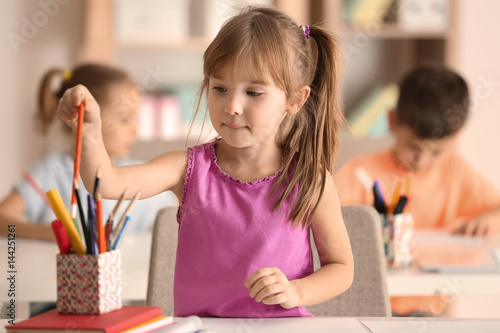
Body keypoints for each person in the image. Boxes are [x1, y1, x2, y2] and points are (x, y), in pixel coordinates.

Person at [57, 6, 354, 318]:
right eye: (220, 88)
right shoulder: (186, 168)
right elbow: (106, 183)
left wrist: (298, 291)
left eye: (253, 92)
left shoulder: (310, 179)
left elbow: (341, 267)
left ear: (295, 99)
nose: (233, 106)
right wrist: (89, 131)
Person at [334, 66, 500, 316]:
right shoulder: (360, 172)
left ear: (455, 138)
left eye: (435, 152)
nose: (421, 160)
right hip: (365, 301)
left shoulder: (455, 172)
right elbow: (321, 220)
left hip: (423, 308)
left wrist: (490, 219)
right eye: (413, 147)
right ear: (392, 121)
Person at [0, 64, 177, 241]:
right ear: (85, 117)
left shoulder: (134, 173)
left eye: (135, 119)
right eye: (124, 119)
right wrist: (46, 234)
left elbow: (180, 204)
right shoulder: (52, 170)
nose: (135, 130)